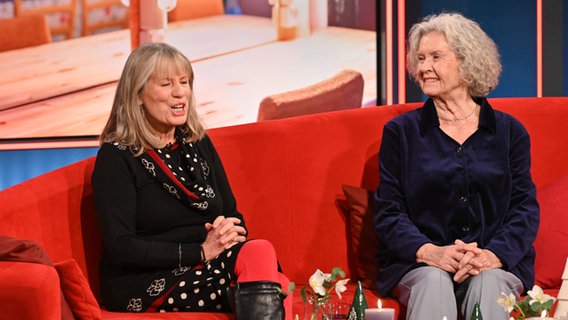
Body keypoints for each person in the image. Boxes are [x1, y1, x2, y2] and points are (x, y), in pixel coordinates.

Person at [92, 42, 291, 319]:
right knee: (272, 281)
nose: (180, 92)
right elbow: (121, 247)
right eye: (166, 84)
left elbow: (233, 217)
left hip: (208, 264)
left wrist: (226, 234)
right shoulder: (117, 157)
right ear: (137, 94)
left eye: (184, 82)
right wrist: (200, 252)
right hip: (145, 280)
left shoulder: (197, 142)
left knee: (270, 275)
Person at [373, 12, 539, 320]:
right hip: (419, 264)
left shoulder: (509, 132)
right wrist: (430, 251)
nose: (424, 68)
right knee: (433, 281)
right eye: (420, 58)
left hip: (493, 261)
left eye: (436, 57)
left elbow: (523, 209)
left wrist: (494, 255)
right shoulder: (401, 133)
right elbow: (388, 212)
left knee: (489, 284)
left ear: (467, 62)